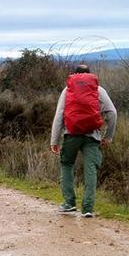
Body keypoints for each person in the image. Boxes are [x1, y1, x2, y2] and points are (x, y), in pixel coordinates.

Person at [50, 65, 117, 218]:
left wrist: (54, 140)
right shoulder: (98, 90)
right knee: (91, 170)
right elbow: (112, 113)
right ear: (90, 75)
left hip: (71, 134)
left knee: (67, 165)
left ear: (74, 74)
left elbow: (59, 115)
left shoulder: (68, 90)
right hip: (92, 136)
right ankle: (87, 208)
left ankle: (69, 204)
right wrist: (108, 136)